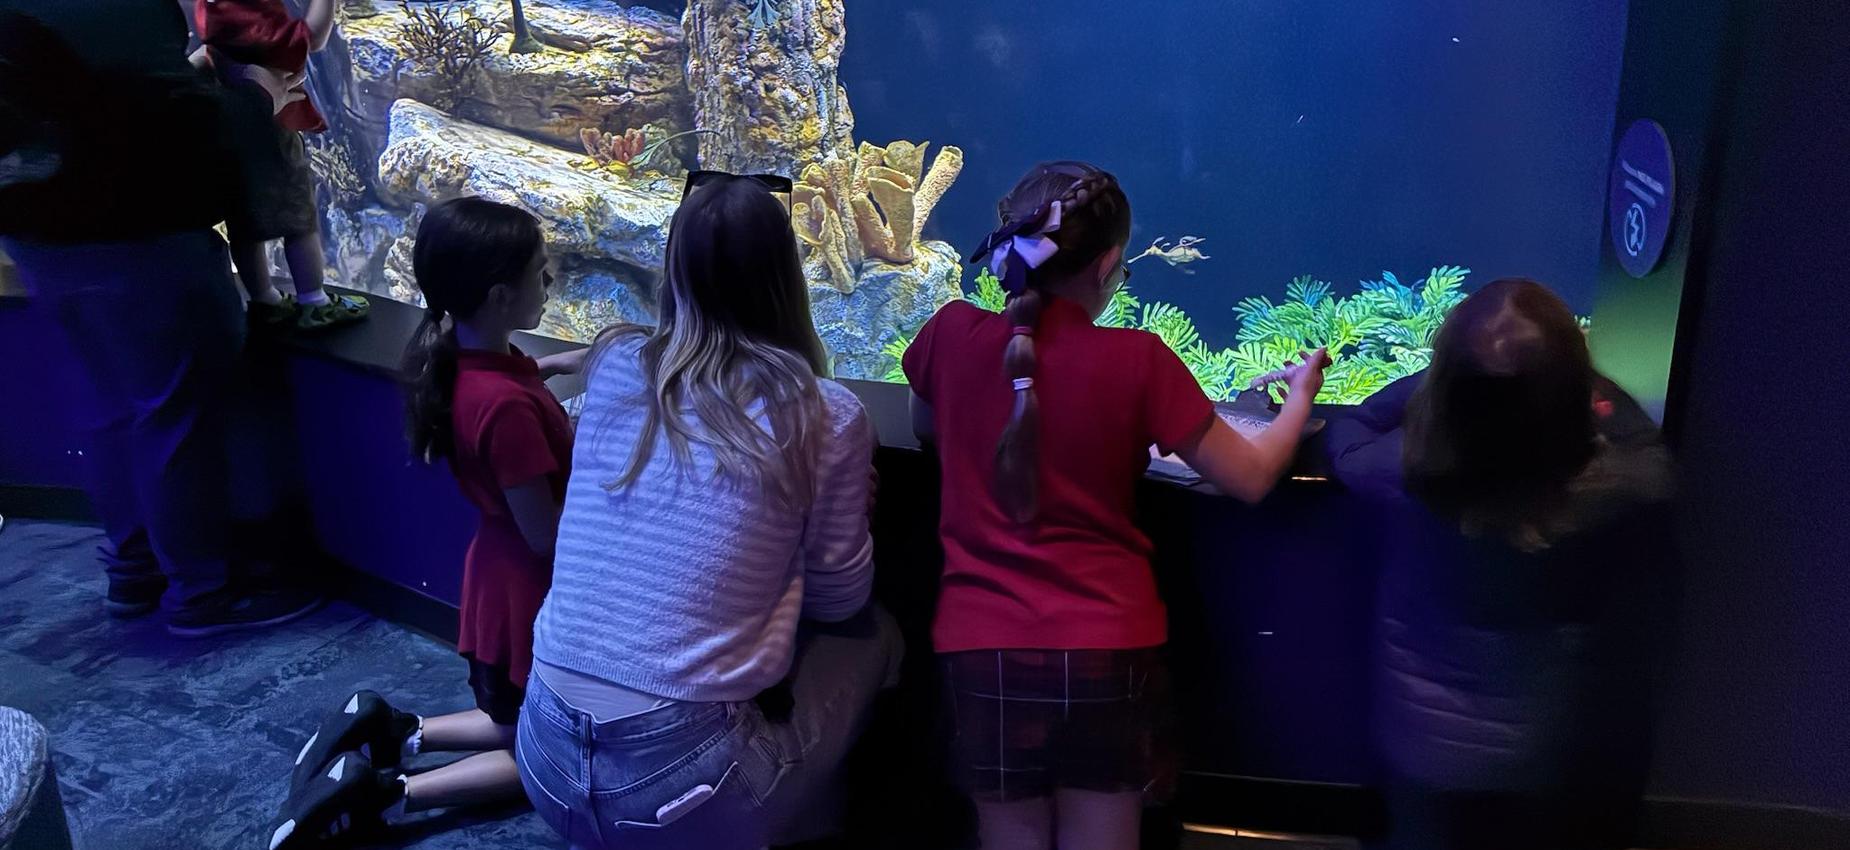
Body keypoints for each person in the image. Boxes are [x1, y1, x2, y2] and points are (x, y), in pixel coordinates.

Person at [901, 161, 1328, 850]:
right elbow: (1250, 478)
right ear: (1105, 267)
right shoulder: (1139, 361)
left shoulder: (948, 335)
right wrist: (1301, 395)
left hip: (982, 650)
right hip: (1107, 650)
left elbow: (925, 428)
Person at [516, 172, 902, 850]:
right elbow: (841, 603)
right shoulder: (828, 413)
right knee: (877, 639)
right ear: (788, 272)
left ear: (674, 269)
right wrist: (813, 524)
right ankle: (789, 825)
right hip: (687, 784)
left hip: (541, 755)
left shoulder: (613, 363)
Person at [263, 198, 585, 848]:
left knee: (515, 713)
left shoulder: (466, 364)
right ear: (500, 294)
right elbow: (546, 534)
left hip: (497, 583)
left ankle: (393, 729)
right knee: (556, 756)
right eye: (542, 274)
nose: (549, 285)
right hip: (531, 594)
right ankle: (387, 795)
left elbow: (509, 386)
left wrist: (555, 367)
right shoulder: (507, 409)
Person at [0, 0, 321, 635]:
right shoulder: (117, 14)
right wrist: (255, 97)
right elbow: (175, 140)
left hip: (37, 233)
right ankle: (203, 591)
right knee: (173, 413)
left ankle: (133, 567)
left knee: (111, 406)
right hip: (136, 239)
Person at [1322, 279, 1674, 850]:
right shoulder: (1612, 488)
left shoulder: (1398, 470)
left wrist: (1446, 388)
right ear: (1570, 394)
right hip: (1538, 749)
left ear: (1445, 389)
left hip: (1419, 744)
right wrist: (1569, 384)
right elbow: (1645, 447)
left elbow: (1349, 429)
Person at [193, 0, 370, 330]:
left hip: (231, 132)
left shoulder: (215, 15)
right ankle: (314, 301)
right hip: (270, 130)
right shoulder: (254, 20)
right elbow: (313, 37)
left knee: (243, 220)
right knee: (299, 218)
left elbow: (205, 55)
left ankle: (263, 299)